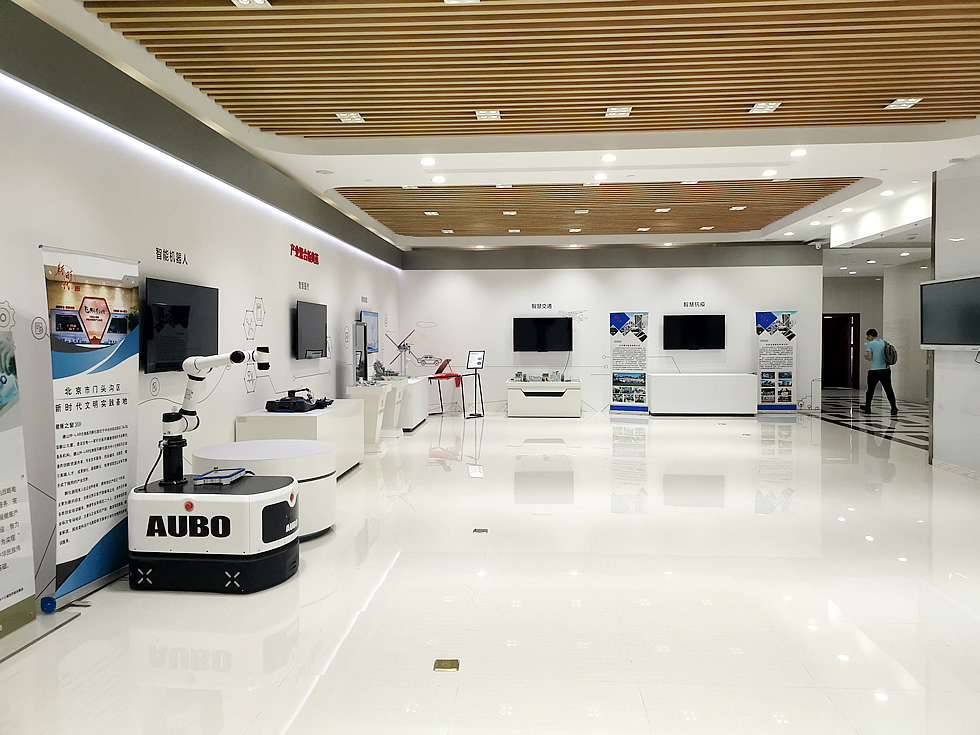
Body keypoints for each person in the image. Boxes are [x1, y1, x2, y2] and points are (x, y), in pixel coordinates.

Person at [861, 329, 898, 416]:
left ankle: (868, 407)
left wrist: (866, 357)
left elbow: (870, 358)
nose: (867, 339)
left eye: (867, 337)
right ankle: (893, 407)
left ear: (870, 336)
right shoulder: (884, 343)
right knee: (888, 389)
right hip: (885, 370)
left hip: (874, 370)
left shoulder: (870, 344)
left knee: (870, 390)